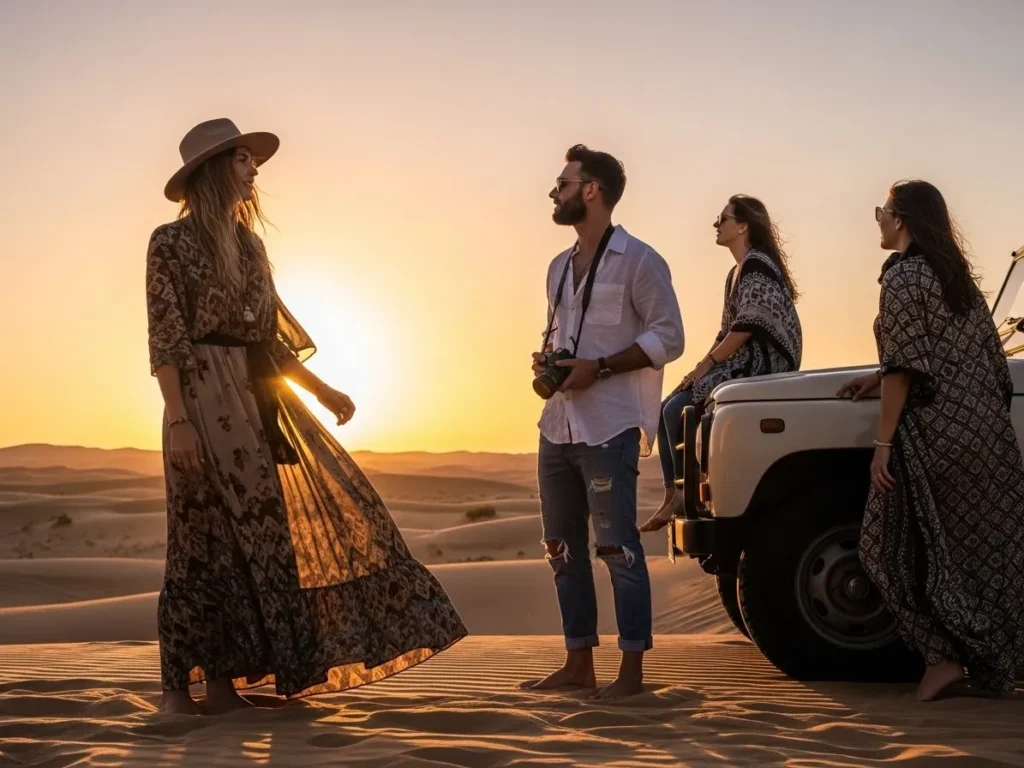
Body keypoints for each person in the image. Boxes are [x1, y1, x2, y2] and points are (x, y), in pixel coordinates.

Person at [147, 118, 467, 715]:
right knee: (198, 543)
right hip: (197, 400)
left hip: (255, 402)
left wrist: (323, 391)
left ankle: (222, 686)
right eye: (243, 160)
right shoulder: (167, 242)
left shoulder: (251, 248)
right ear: (215, 171)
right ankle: (174, 693)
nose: (255, 170)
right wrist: (179, 418)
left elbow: (269, 342)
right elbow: (166, 338)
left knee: (257, 543)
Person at [836, 180, 1024, 701]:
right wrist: (879, 376)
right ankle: (993, 662)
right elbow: (983, 361)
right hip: (984, 433)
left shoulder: (901, 278)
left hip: (936, 435)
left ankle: (942, 659)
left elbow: (906, 368)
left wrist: (883, 442)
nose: (876, 218)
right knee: (983, 556)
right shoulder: (955, 276)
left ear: (903, 220)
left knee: (880, 548)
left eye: (882, 210)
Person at [529, 144, 684, 699]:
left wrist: (600, 368)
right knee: (561, 548)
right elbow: (569, 339)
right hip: (558, 425)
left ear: (591, 190)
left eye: (563, 182)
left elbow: (669, 336)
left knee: (617, 548)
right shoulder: (556, 267)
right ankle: (577, 665)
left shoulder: (640, 260)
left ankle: (631, 674)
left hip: (609, 424)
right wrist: (551, 361)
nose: (555, 191)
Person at [640, 195, 802, 533]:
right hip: (740, 359)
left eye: (723, 218)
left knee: (677, 410)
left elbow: (746, 327)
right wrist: (700, 366)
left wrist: (708, 364)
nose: (716, 224)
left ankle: (685, 494)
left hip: (762, 364)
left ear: (743, 225)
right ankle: (674, 494)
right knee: (668, 406)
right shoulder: (736, 272)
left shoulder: (757, 264)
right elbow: (725, 330)